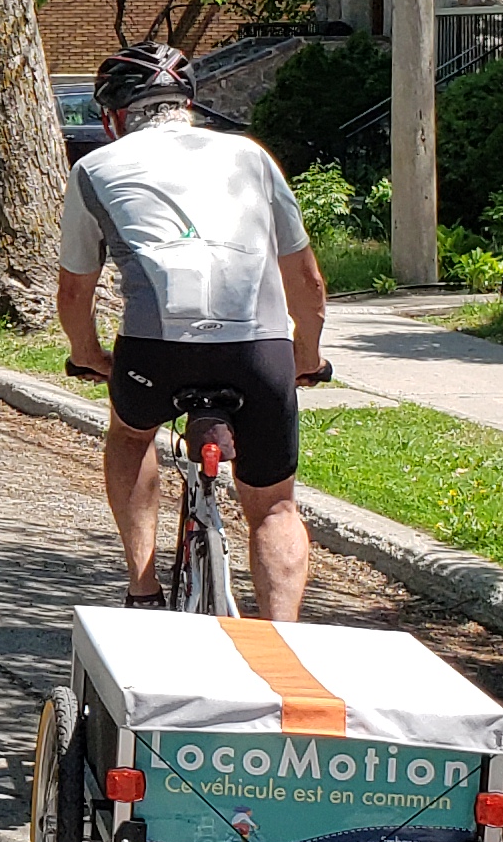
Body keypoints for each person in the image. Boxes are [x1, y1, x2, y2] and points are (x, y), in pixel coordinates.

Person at [53, 43, 330, 619]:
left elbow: (75, 291)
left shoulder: (94, 169)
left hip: (155, 355)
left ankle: (143, 585)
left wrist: (88, 354)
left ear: (114, 117)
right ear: (188, 104)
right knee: (276, 505)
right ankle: (284, 639)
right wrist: (307, 354)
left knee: (132, 434)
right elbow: (307, 279)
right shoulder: (251, 157)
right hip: (258, 352)